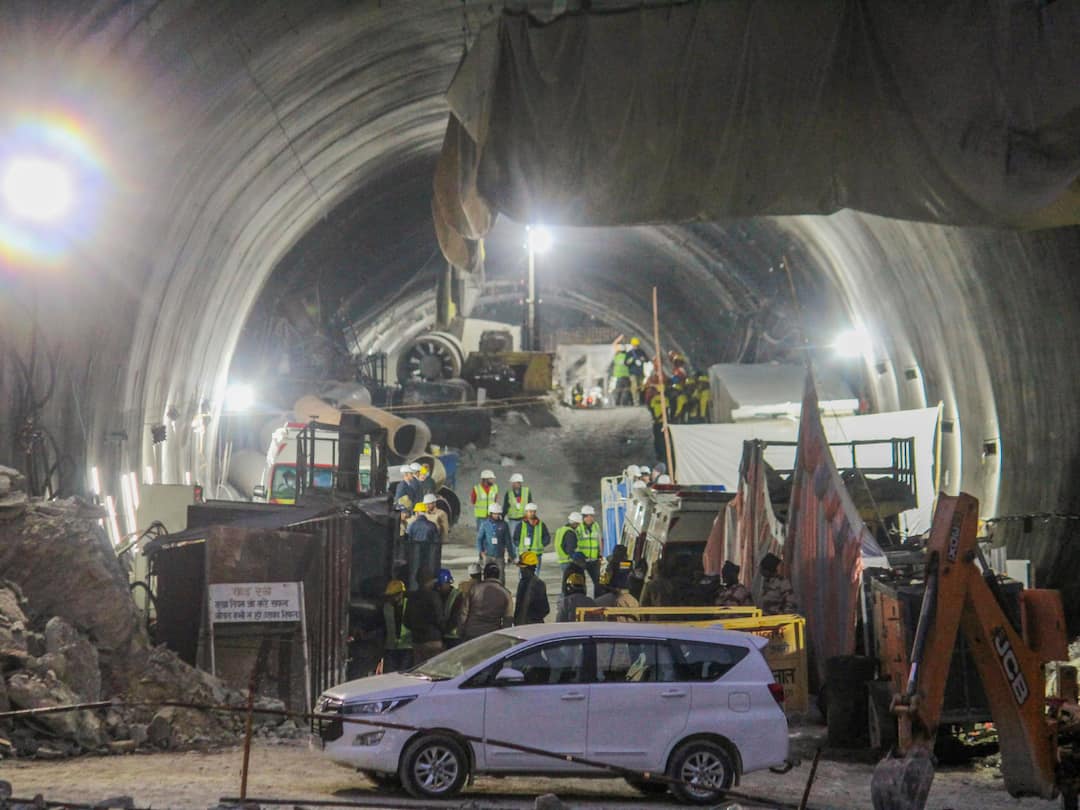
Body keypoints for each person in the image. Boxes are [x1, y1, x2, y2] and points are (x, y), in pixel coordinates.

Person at [460, 562, 514, 641]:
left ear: (484, 575)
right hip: (491, 636)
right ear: (498, 576)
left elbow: (464, 613)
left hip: (472, 633)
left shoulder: (474, 589)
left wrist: (461, 631)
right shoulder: (506, 594)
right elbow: (508, 620)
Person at [404, 570, 444, 664]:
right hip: (433, 639)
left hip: (417, 640)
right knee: (434, 668)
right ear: (429, 581)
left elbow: (406, 620)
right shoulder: (434, 596)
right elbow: (439, 618)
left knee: (418, 669)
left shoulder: (412, 597)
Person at [406, 502, 441, 590]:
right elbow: (437, 543)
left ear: (417, 513)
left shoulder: (412, 526)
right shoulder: (432, 526)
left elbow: (408, 540)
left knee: (414, 575)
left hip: (414, 557)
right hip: (429, 557)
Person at [476, 502, 513, 584]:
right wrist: (481, 551)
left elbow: (508, 541)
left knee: (501, 576)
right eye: (494, 514)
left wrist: (511, 554)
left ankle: (501, 592)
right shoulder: (485, 524)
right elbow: (479, 539)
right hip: (488, 555)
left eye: (498, 513)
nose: (496, 515)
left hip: (499, 555)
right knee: (487, 575)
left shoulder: (504, 525)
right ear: (491, 513)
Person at [381, 580, 412, 672]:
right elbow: (379, 622)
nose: (391, 598)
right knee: (389, 677)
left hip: (407, 647)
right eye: (389, 596)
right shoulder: (386, 607)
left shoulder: (410, 605)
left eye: (394, 595)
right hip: (391, 647)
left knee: (404, 675)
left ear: (401, 594)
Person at [513, 551, 549, 625]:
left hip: (531, 626)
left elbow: (545, 610)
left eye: (523, 568)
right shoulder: (524, 582)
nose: (521, 571)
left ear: (530, 568)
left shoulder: (536, 584)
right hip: (526, 625)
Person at [513, 502, 551, 573]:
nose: (532, 513)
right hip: (524, 555)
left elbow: (547, 537)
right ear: (526, 512)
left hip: (536, 555)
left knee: (535, 575)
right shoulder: (520, 525)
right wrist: (520, 545)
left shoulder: (541, 525)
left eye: (534, 511)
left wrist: (541, 544)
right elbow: (515, 538)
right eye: (530, 511)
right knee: (523, 575)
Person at [577, 505, 603, 594]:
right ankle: (581, 601)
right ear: (584, 516)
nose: (591, 518)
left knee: (598, 582)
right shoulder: (578, 527)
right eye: (589, 516)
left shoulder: (596, 526)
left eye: (592, 516)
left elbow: (599, 540)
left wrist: (600, 554)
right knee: (579, 582)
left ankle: (598, 601)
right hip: (582, 560)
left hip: (594, 560)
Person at [436, 569, 465, 648]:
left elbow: (456, 618)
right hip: (441, 636)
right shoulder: (437, 595)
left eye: (441, 585)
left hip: (453, 637)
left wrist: (441, 630)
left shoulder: (457, 596)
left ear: (448, 583)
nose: (439, 588)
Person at [503, 472, 532, 541]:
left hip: (524, 518)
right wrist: (502, 516)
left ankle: (521, 551)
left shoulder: (526, 491)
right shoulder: (508, 493)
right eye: (512, 483)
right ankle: (514, 551)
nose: (512, 484)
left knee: (523, 537)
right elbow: (506, 506)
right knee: (513, 538)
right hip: (512, 520)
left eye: (514, 483)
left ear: (519, 483)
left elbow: (530, 505)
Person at [554, 511, 583, 578]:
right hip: (569, 561)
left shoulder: (561, 530)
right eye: (578, 524)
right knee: (572, 582)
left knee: (566, 582)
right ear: (575, 523)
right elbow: (571, 549)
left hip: (562, 561)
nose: (578, 526)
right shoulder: (570, 533)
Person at [625, 337, 648, 405]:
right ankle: (635, 401)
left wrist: (643, 359)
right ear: (632, 345)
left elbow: (647, 360)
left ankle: (641, 400)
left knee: (641, 387)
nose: (636, 346)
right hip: (632, 373)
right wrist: (631, 360)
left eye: (636, 345)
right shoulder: (629, 353)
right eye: (634, 345)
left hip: (640, 372)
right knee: (634, 386)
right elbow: (626, 363)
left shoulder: (641, 352)